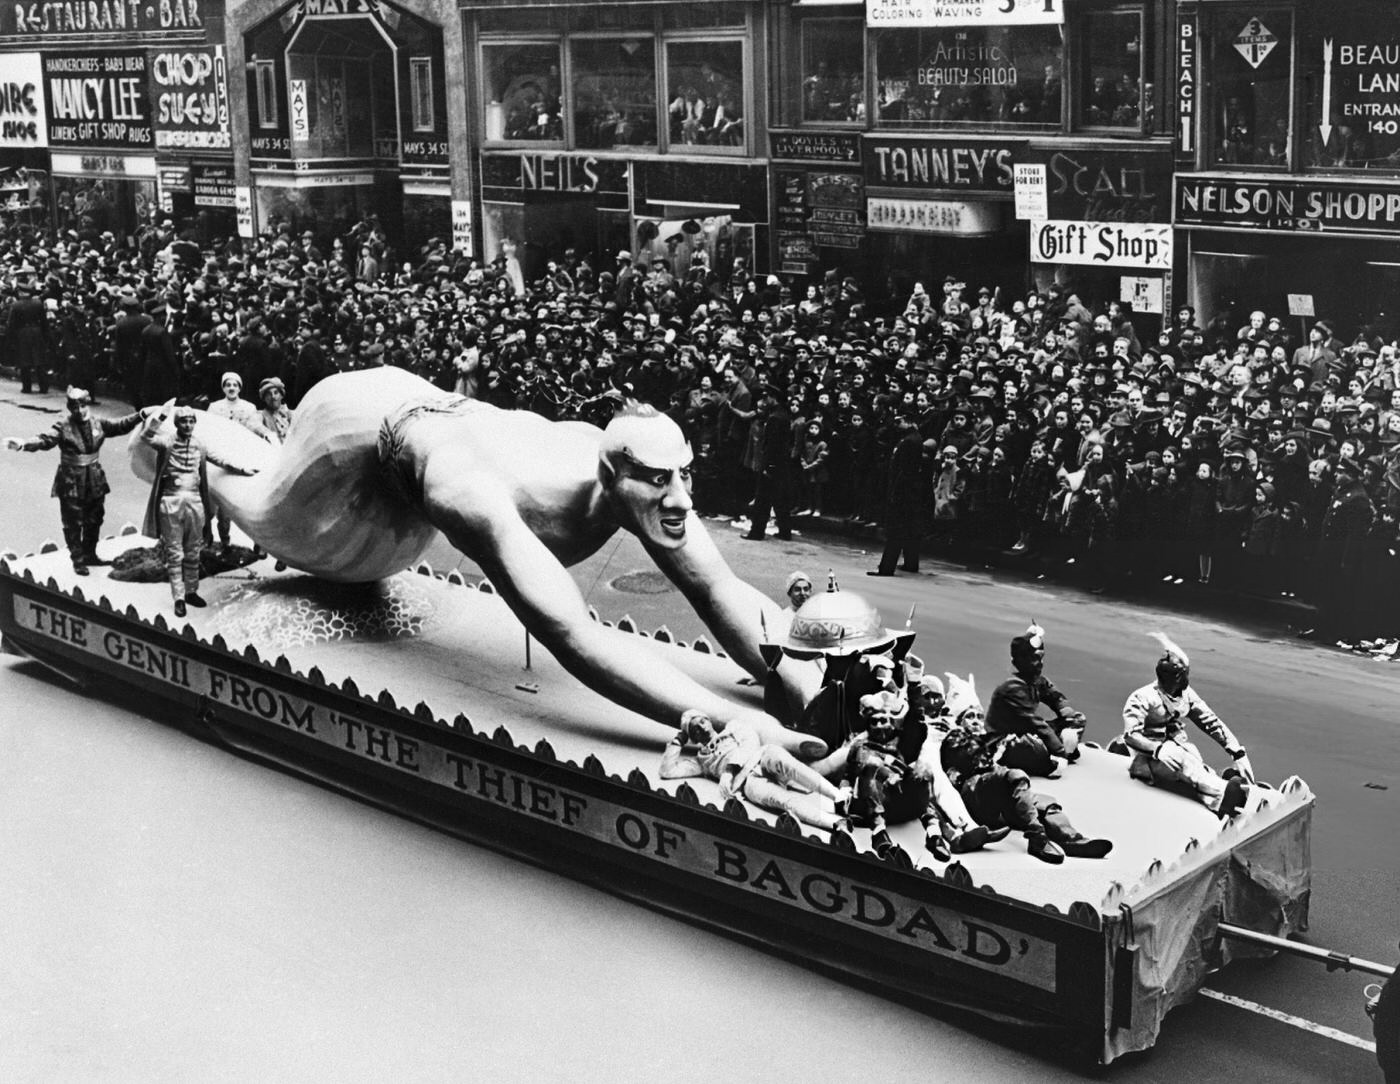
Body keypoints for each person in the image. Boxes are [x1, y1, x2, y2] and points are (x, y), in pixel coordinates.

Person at [132, 368, 822, 752]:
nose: (678, 498)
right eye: (658, 480)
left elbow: (717, 585)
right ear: (613, 478)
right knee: (267, 511)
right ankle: (176, 437)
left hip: (422, 403)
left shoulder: (635, 467)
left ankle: (187, 436)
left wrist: (796, 674)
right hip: (350, 447)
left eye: (685, 476)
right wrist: (735, 721)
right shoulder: (476, 493)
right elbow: (573, 635)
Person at [839, 688, 1005, 862]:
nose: (880, 726)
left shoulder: (902, 742)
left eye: (884, 721)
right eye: (875, 722)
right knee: (885, 768)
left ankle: (943, 835)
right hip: (874, 800)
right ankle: (881, 834)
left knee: (924, 773)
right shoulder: (860, 746)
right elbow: (852, 773)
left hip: (904, 792)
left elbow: (917, 730)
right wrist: (844, 793)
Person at [3, 387, 147, 574]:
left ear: (87, 404)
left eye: (82, 406)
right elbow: (45, 440)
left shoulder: (97, 423)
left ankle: (90, 554)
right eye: (74, 407)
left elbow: (120, 425)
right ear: (70, 408)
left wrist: (141, 415)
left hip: (94, 477)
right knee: (73, 520)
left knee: (95, 517)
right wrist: (23, 444)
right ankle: (77, 560)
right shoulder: (63, 426)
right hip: (71, 479)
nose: (79, 411)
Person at [1120, 634, 1263, 816]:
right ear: (1175, 676)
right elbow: (1130, 735)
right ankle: (1223, 799)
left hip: (1177, 750)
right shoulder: (1142, 697)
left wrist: (1236, 751)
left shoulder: (1186, 695)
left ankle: (1224, 784)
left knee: (1192, 756)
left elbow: (1210, 721)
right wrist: (1157, 749)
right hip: (1147, 761)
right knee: (1183, 760)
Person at [139, 403, 261, 617]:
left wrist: (242, 469)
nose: (187, 425)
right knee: (175, 553)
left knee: (193, 551)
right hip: (171, 501)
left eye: (191, 421)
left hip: (195, 502)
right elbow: (146, 437)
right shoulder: (167, 442)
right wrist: (160, 417)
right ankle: (178, 597)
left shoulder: (200, 445)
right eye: (183, 421)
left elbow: (220, 460)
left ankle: (191, 591)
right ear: (176, 423)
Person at [939, 724, 1113, 864]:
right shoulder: (953, 749)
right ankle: (1037, 836)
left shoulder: (984, 742)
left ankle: (1072, 841)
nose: (976, 720)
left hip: (995, 798)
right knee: (1016, 776)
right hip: (973, 792)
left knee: (1046, 804)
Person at [660, 710, 846, 831]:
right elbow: (667, 771)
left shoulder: (733, 727)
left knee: (793, 767)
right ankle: (834, 823)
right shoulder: (701, 762)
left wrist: (728, 771)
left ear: (708, 721)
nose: (701, 727)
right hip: (748, 783)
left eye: (702, 721)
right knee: (783, 801)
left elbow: (750, 741)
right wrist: (678, 740)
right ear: (693, 737)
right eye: (695, 729)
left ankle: (838, 797)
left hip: (761, 757)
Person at [983, 622, 1086, 775]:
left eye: (1041, 658)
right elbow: (1035, 723)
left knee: (1078, 720)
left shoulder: (1038, 681)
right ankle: (1053, 757)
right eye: (1034, 659)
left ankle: (1054, 752)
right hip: (1004, 740)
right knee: (1032, 749)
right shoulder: (1012, 688)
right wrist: (1059, 750)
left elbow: (1056, 698)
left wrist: (1068, 718)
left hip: (1029, 733)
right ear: (1018, 662)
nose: (1039, 664)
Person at [8, 273, 50, 394]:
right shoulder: (38, 304)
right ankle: (44, 386)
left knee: (24, 361)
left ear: (21, 292)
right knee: (39, 360)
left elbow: (11, 324)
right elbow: (44, 322)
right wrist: (45, 336)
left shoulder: (16, 305)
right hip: (37, 332)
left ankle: (27, 387)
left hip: (22, 334)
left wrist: (10, 339)